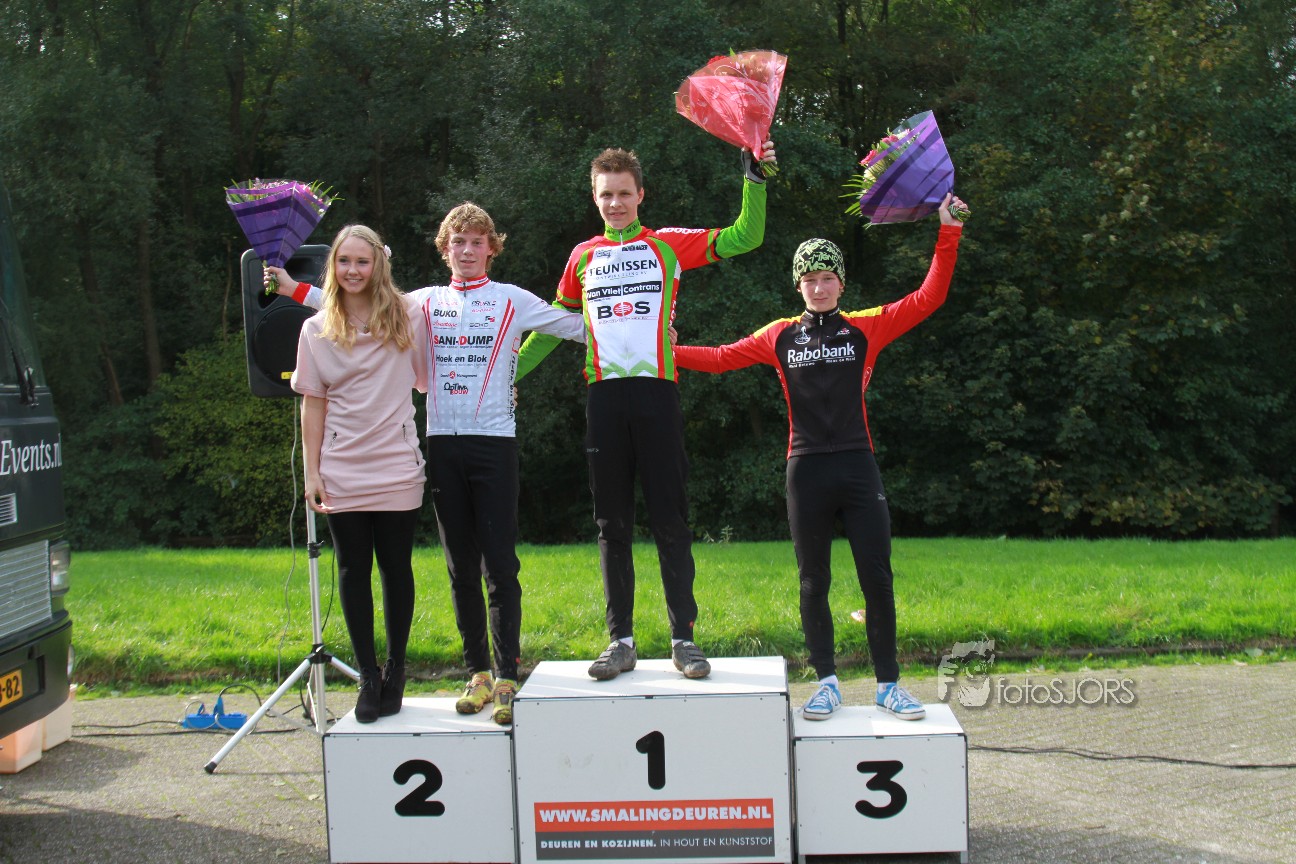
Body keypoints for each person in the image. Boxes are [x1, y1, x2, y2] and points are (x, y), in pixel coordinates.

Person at [271, 203, 585, 725]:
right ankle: (477, 673)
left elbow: (572, 325)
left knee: (500, 565)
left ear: (492, 248)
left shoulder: (511, 298)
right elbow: (350, 300)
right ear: (444, 249)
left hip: (495, 444)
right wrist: (291, 289)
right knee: (460, 567)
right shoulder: (421, 303)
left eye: (477, 242)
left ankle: (508, 674)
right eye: (458, 242)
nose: (467, 251)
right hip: (442, 444)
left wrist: (641, 322)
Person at [672, 193, 968, 720]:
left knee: (877, 578)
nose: (819, 286)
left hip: (857, 465)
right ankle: (827, 682)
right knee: (813, 581)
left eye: (828, 277)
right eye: (809, 279)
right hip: (805, 468)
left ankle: (888, 684)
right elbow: (720, 358)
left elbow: (929, 297)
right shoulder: (780, 335)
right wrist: (666, 351)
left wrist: (948, 230)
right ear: (798, 285)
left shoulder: (866, 327)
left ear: (841, 283)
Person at [514, 143, 777, 681]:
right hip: (604, 399)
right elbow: (551, 328)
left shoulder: (666, 246)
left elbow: (745, 236)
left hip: (657, 395)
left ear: (641, 195)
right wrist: (502, 377)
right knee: (611, 524)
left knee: (670, 519)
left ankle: (684, 639)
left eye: (624, 194)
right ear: (594, 198)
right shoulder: (582, 257)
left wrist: (754, 178)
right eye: (606, 195)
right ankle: (621, 642)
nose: (615, 204)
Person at [288, 224, 428, 724]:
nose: (353, 270)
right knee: (352, 569)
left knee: (396, 568)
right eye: (343, 261)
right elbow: (313, 403)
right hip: (341, 467)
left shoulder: (409, 315)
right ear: (333, 266)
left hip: (397, 463)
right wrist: (312, 472)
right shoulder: (316, 328)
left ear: (378, 264)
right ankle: (368, 675)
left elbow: (430, 378)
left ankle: (396, 670)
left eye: (362, 261)